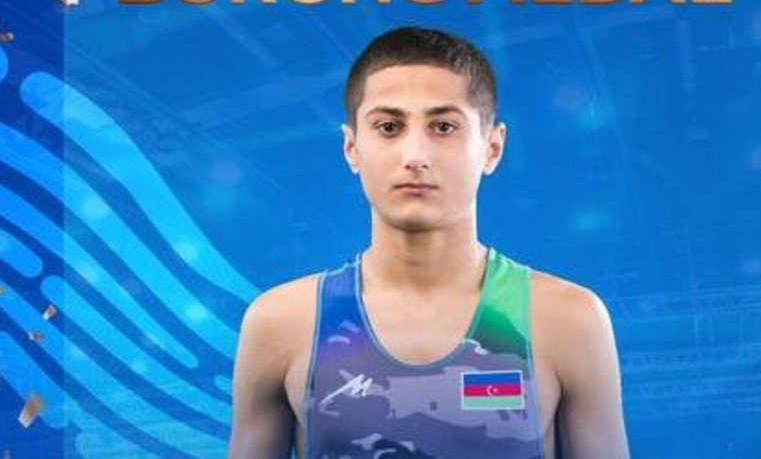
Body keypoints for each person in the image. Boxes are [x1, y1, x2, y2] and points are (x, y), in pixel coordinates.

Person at [228, 26, 629, 459]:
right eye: (388, 127)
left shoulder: (566, 320)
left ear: (492, 148)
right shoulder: (282, 323)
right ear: (351, 148)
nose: (415, 156)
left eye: (443, 126)